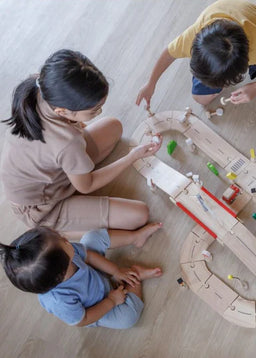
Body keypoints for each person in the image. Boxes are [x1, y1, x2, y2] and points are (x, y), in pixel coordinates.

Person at [1, 49, 162, 232]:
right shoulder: (66, 143)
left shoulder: (44, 86)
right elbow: (88, 185)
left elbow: (69, 137)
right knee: (139, 214)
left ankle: (74, 179)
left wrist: (79, 139)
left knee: (114, 126)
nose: (99, 113)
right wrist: (132, 157)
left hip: (52, 173)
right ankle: (62, 233)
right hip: (41, 207)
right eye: (94, 110)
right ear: (63, 111)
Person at [136, 0, 256, 112]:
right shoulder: (194, 36)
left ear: (242, 66)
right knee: (201, 98)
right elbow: (168, 54)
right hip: (227, 26)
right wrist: (151, 83)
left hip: (254, 27)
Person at [0, 223, 162, 328]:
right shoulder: (59, 301)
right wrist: (111, 301)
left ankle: (135, 237)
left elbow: (90, 256)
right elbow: (84, 319)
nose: (66, 239)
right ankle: (136, 277)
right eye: (63, 241)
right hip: (98, 306)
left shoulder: (64, 252)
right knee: (127, 318)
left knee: (93, 237)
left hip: (94, 274)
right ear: (61, 273)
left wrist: (116, 271)